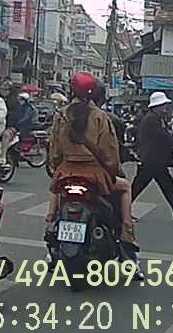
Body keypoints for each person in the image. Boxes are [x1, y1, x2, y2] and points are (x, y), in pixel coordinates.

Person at [46, 73, 137, 251]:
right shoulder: (100, 117)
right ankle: (127, 232)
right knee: (125, 186)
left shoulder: (61, 115)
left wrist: (57, 166)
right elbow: (110, 152)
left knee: (56, 187)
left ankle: (49, 222)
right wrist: (115, 171)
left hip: (66, 170)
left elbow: (55, 150)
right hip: (94, 174)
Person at [133, 92, 173, 223]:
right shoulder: (151, 119)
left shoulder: (158, 118)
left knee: (164, 186)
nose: (166, 107)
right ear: (157, 106)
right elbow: (163, 137)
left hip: (155, 160)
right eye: (163, 104)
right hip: (151, 160)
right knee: (140, 187)